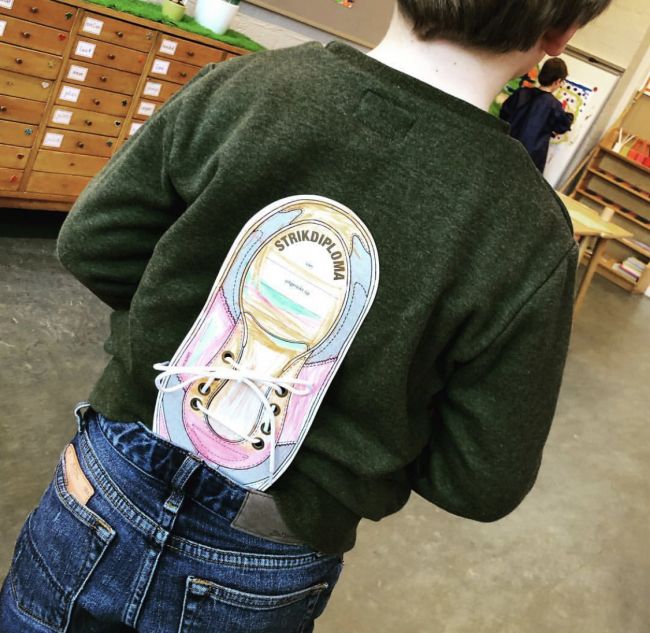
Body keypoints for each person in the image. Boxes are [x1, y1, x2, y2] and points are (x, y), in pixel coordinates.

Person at [0, 0, 611, 631]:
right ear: (562, 31)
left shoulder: (252, 86)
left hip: (108, 474)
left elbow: (94, 241)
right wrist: (367, 429)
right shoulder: (530, 233)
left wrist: (172, 322)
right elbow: (482, 479)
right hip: (273, 546)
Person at [500, 57, 575, 172]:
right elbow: (562, 126)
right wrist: (569, 115)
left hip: (505, 149)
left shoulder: (521, 93)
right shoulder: (553, 105)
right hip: (530, 160)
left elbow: (503, 115)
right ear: (557, 81)